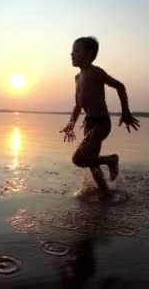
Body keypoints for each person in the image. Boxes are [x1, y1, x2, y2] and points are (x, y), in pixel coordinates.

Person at [59, 36, 140, 198]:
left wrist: (125, 112)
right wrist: (71, 125)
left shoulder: (96, 72)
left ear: (88, 55)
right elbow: (78, 105)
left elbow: (119, 86)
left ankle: (110, 160)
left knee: (78, 159)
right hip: (88, 124)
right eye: (72, 51)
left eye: (76, 51)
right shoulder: (77, 78)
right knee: (91, 162)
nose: (71, 54)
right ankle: (104, 192)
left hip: (102, 124)